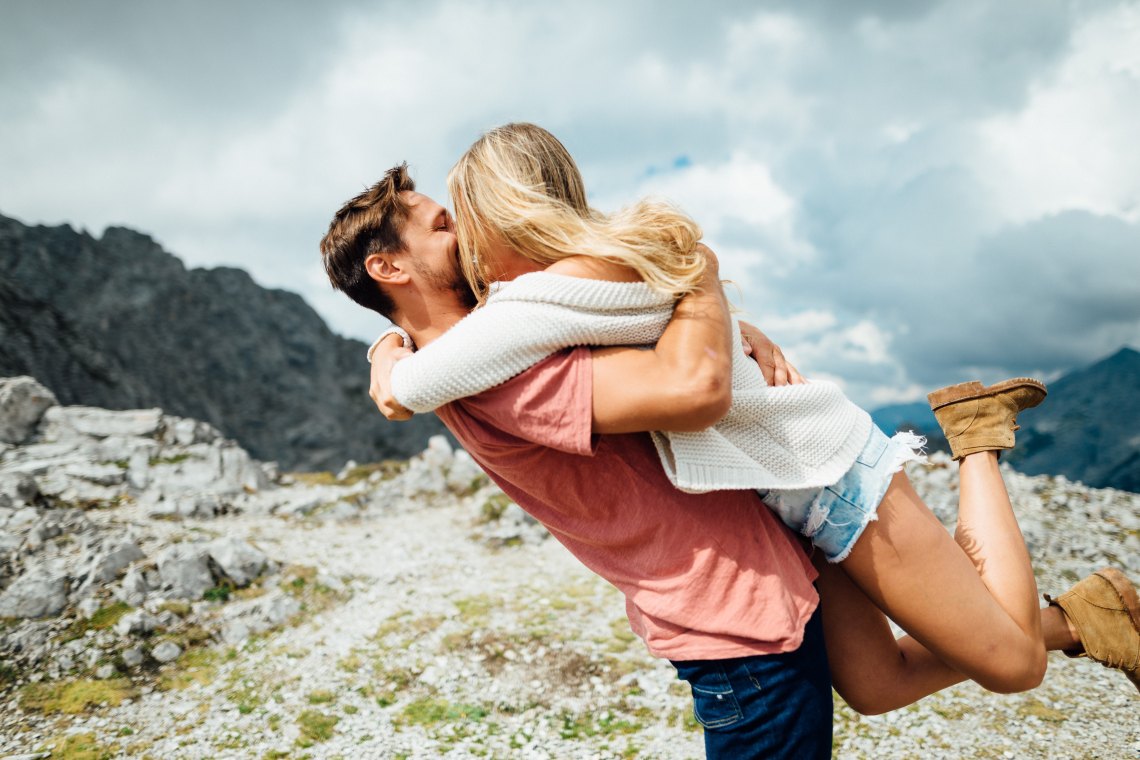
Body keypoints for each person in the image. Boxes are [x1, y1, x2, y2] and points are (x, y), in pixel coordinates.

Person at [321, 149, 1138, 757]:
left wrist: (717, 312)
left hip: (782, 526)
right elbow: (691, 386)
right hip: (759, 560)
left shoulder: (495, 342)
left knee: (1006, 664)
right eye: (441, 224)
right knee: (884, 682)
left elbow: (670, 362)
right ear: (388, 265)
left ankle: (980, 445)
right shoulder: (493, 371)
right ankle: (1079, 609)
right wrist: (702, 278)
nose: (463, 233)